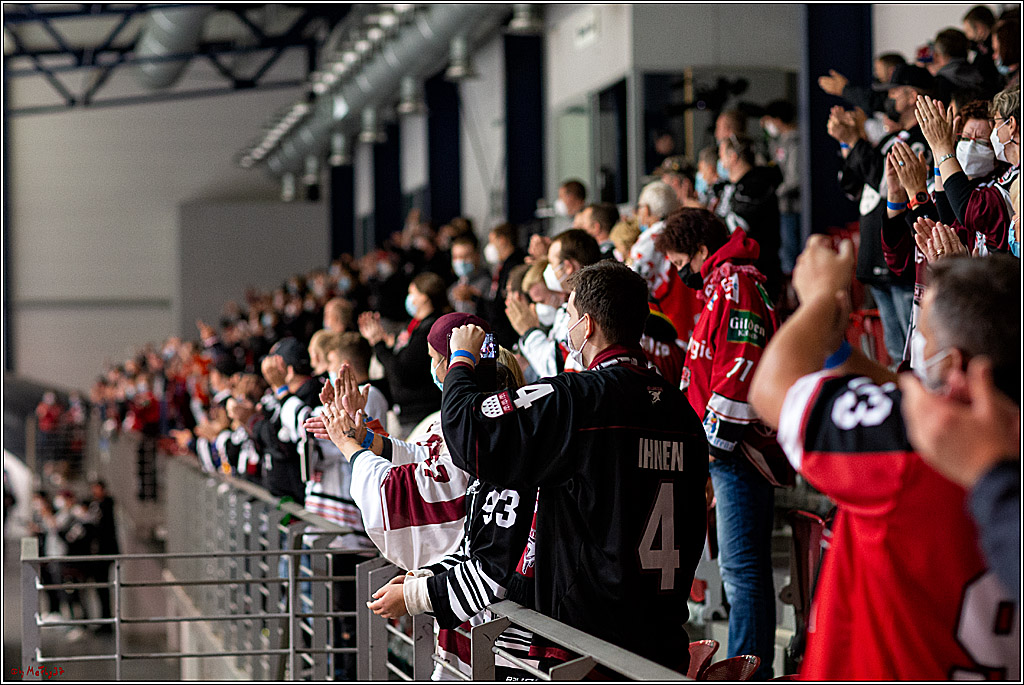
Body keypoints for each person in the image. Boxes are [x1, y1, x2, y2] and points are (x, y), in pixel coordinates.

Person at [749, 238, 1020, 680]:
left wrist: (820, 299)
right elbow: (906, 391)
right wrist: (839, 353)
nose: (915, 361)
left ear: (956, 371)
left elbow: (772, 387)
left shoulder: (909, 451)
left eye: (924, 339)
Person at [438, 261, 709, 673]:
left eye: (567, 314)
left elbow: (471, 434)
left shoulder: (579, 399)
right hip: (662, 644)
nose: (565, 326)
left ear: (586, 324)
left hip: (587, 646)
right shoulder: (683, 413)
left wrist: (460, 361)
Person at [310, 313, 539, 679]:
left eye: (435, 358)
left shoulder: (485, 428)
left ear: (453, 364)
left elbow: (417, 491)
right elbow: (424, 459)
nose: (430, 367)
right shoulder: (464, 419)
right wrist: (364, 436)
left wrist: (350, 447)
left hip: (487, 613)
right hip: (461, 593)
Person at [654, 208, 791, 678]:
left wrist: (710, 446)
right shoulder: (723, 283)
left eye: (679, 263)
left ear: (701, 251)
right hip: (724, 451)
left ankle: (749, 671)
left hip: (737, 451)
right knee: (738, 569)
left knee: (742, 570)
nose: (678, 273)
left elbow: (741, 365)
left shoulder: (737, 282)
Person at [829, 64, 935, 366]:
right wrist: (848, 142)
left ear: (913, 96)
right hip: (879, 254)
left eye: (895, 92)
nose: (889, 99)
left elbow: (886, 183)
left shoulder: (921, 140)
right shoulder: (895, 137)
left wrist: (858, 142)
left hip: (902, 259)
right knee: (893, 349)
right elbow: (853, 184)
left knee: (911, 350)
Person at [359, 272, 448, 438]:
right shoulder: (415, 327)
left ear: (424, 297)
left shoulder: (429, 331)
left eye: (412, 293)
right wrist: (385, 345)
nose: (409, 298)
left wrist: (378, 344)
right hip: (410, 414)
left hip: (421, 414)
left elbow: (402, 373)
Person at [506, 229, 601, 377]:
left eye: (551, 263)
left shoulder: (588, 307)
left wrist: (528, 331)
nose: (548, 270)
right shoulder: (571, 305)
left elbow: (556, 370)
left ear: (568, 266)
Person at [762, 100, 803, 276]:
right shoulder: (779, 141)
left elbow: (795, 178)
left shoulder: (796, 141)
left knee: (792, 254)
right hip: (783, 208)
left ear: (777, 119)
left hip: (795, 207)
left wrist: (774, 193)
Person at [478, 223, 526, 350]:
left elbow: (502, 303)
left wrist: (477, 300)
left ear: (502, 240)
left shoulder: (515, 265)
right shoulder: (503, 266)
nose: (490, 247)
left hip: (509, 335)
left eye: (492, 241)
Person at [86, 480, 119, 632]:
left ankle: (106, 621)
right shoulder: (97, 505)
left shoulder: (106, 505)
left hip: (104, 553)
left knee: (104, 588)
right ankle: (104, 619)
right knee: (100, 589)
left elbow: (102, 528)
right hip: (99, 554)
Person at [447, 234, 492, 315]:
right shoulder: (453, 288)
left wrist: (473, 297)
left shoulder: (487, 284)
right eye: (456, 257)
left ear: (476, 256)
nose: (461, 261)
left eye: (466, 256)